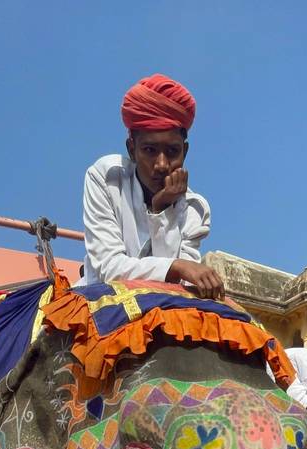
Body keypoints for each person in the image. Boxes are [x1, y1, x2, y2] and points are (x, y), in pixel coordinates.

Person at [82, 73, 225, 299]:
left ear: (184, 152)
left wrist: (162, 210)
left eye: (172, 152)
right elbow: (109, 269)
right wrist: (176, 266)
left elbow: (174, 290)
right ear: (131, 149)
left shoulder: (196, 209)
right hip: (98, 303)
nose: (161, 165)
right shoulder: (106, 177)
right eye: (149, 150)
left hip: (162, 311)